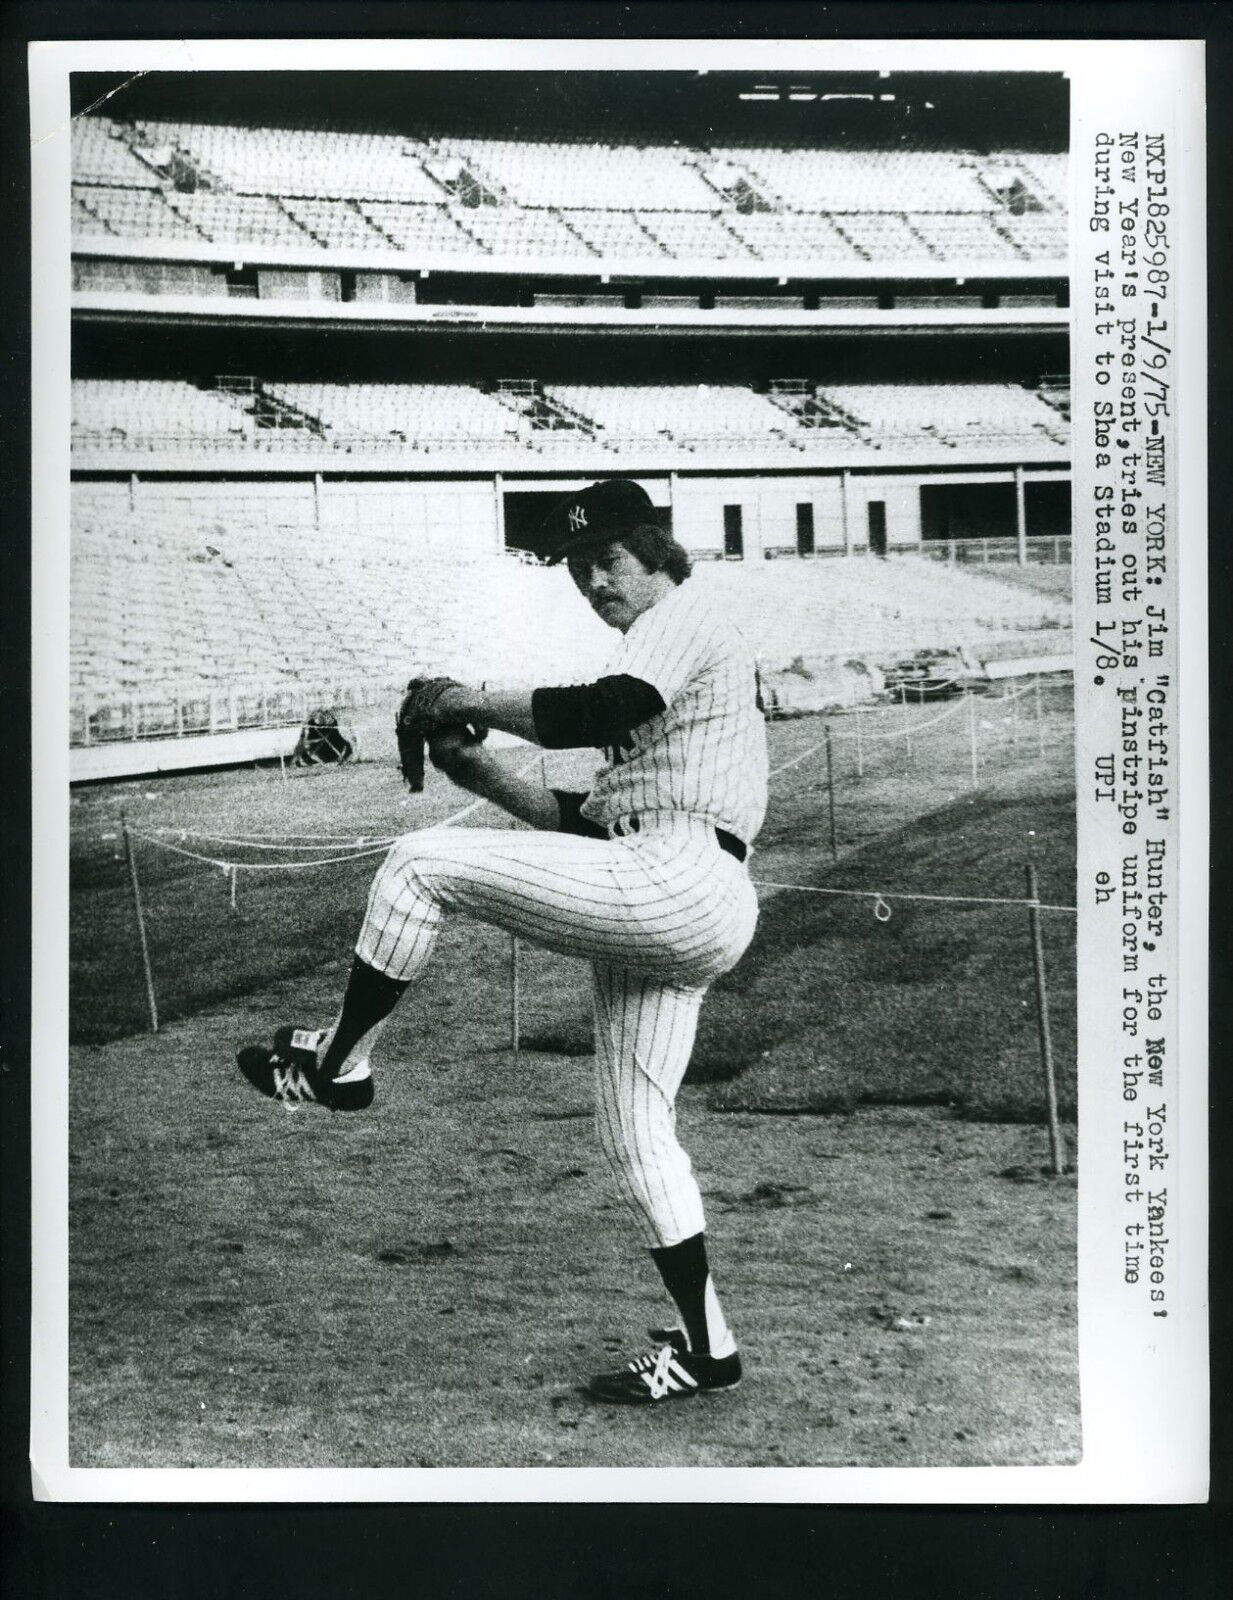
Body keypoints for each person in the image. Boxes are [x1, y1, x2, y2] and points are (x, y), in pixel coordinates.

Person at [236, 479, 769, 1405]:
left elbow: (598, 708)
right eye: (576, 567)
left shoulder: (686, 615)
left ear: (657, 556)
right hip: (666, 886)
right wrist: (469, 762)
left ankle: (341, 1067)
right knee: (635, 1136)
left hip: (679, 878)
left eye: (608, 558)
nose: (592, 580)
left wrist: (461, 693)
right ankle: (708, 1345)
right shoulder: (655, 667)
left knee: (414, 866)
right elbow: (582, 819)